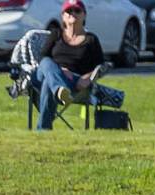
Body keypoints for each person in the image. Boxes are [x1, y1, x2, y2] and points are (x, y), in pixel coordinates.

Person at [33, 0, 108, 130]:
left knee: (48, 83)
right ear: (63, 16)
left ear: (84, 15)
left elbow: (101, 66)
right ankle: (59, 88)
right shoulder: (56, 34)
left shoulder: (91, 40)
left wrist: (88, 78)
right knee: (47, 62)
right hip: (46, 72)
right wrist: (60, 70)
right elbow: (42, 57)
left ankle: (43, 131)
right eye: (68, 11)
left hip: (73, 80)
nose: (72, 13)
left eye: (77, 10)